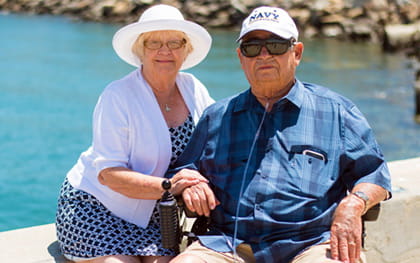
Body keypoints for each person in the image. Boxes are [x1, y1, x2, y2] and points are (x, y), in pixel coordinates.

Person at [168, 6, 392, 263]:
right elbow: (183, 169)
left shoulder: (337, 112)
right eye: (252, 48)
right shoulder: (216, 117)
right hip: (227, 244)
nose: (264, 55)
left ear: (296, 53)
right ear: (241, 58)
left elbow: (375, 174)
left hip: (311, 244)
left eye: (275, 45)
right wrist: (190, 183)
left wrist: (354, 205)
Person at [55, 4, 214, 263]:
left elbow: (214, 146)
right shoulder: (117, 96)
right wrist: (171, 187)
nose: (165, 50)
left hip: (153, 213)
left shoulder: (194, 88)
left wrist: (197, 183)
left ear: (186, 50)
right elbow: (109, 175)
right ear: (141, 50)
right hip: (97, 208)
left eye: (174, 42)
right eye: (154, 43)